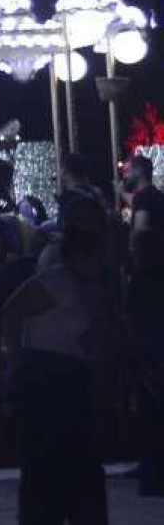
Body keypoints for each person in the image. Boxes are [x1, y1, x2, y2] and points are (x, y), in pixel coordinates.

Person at [1, 198, 115, 523]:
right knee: (46, 463)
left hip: (73, 374)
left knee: (78, 462)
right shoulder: (56, 280)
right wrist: (18, 360)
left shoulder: (88, 287)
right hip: (47, 374)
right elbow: (13, 311)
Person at [123, 155, 163, 498]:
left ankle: (152, 465)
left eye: (127, 171)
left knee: (149, 378)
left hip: (149, 293)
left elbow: (142, 232)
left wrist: (135, 265)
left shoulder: (146, 200)